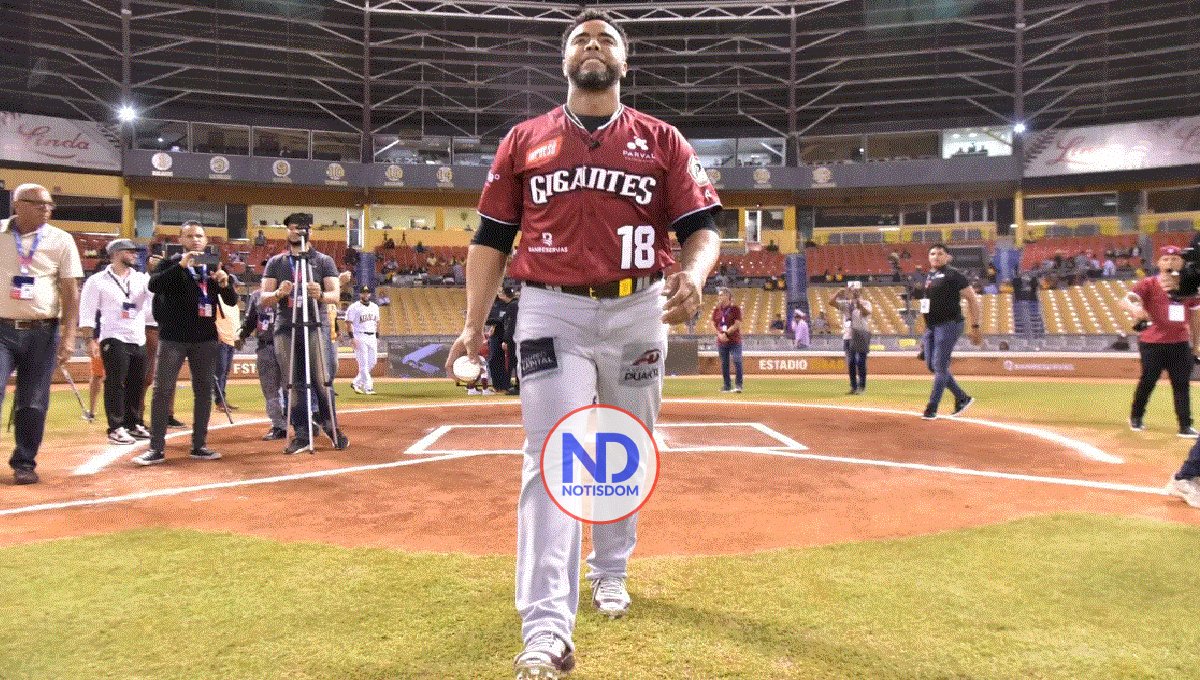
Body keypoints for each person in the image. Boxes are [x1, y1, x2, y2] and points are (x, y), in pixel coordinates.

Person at [443, 9, 722, 677]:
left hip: (638, 310)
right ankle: (546, 631)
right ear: (564, 60)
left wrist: (695, 273)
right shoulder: (524, 140)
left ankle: (612, 566)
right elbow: (488, 242)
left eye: (606, 40)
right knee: (551, 460)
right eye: (579, 39)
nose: (592, 46)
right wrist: (472, 326)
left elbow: (704, 229)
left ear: (626, 63)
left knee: (623, 452)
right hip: (549, 311)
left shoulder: (662, 139)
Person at [133, 221, 236, 465]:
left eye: (199, 236)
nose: (195, 240)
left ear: (206, 240)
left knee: (203, 393)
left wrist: (224, 282)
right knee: (162, 391)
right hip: (172, 338)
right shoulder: (169, 264)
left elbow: (231, 301)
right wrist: (180, 265)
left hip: (205, 339)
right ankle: (156, 448)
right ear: (181, 240)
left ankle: (199, 445)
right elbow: (154, 285)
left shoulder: (213, 267)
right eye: (189, 236)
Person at [0, 183, 82, 484]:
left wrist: (69, 336)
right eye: (39, 204)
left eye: (49, 205)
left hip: (42, 332)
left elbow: (70, 291)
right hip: (1, 328)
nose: (46, 209)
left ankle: (24, 461)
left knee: (33, 401)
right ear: (18, 205)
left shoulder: (61, 240)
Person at [260, 213, 348, 454]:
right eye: (294, 228)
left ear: (311, 232)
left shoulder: (323, 261)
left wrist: (320, 294)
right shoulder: (276, 262)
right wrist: (278, 293)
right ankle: (300, 433)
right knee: (294, 382)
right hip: (286, 326)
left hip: (316, 324)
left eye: (304, 228)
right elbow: (263, 299)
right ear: (287, 230)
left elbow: (335, 296)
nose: (299, 232)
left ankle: (331, 425)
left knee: (322, 378)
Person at [1120, 245, 1200, 436]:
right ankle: (1136, 416)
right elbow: (1126, 300)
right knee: (1148, 380)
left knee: (1181, 384)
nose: (1170, 262)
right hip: (1152, 343)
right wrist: (1135, 310)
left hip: (1180, 343)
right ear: (1158, 263)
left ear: (1182, 262)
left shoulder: (1190, 287)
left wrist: (1196, 345)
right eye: (1165, 259)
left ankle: (1184, 425)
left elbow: (1196, 318)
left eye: (1174, 259)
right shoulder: (1148, 284)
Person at [78, 239, 152, 445]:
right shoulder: (97, 280)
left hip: (138, 336)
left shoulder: (141, 279)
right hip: (113, 336)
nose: (135, 255)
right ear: (116, 253)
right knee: (115, 382)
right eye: (131, 251)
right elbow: (87, 311)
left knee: (136, 382)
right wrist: (89, 339)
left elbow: (154, 299)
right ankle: (116, 427)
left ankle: (134, 422)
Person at [914, 243, 982, 420]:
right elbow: (925, 305)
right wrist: (925, 332)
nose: (936, 256)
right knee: (932, 365)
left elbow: (972, 300)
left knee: (940, 366)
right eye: (932, 253)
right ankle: (962, 397)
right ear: (928, 257)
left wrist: (975, 326)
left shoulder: (954, 275)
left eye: (940, 253)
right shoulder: (928, 277)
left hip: (949, 324)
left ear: (948, 257)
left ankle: (931, 408)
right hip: (932, 327)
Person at [238, 290, 288, 440]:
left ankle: (304, 423)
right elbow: (251, 320)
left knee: (292, 387)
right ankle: (279, 425)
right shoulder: (256, 296)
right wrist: (241, 334)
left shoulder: (290, 292)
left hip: (288, 346)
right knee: (270, 389)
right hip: (266, 345)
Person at [830, 283, 872, 394]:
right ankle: (854, 387)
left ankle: (861, 386)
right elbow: (831, 302)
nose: (853, 293)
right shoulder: (846, 304)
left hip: (861, 335)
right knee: (851, 362)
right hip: (848, 336)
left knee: (861, 362)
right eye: (852, 291)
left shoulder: (866, 303)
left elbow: (865, 312)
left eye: (856, 291)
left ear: (860, 292)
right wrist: (838, 293)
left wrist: (858, 302)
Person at [345, 286, 381, 395]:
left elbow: (378, 322)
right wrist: (352, 338)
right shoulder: (354, 307)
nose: (365, 295)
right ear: (360, 294)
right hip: (359, 336)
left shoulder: (375, 307)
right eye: (363, 293)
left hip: (372, 336)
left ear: (370, 294)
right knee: (364, 364)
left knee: (372, 362)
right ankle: (368, 387)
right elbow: (348, 322)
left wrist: (377, 337)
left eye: (367, 293)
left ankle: (356, 383)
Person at [484, 288, 515, 393]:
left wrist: (496, 322)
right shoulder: (493, 305)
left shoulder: (510, 304)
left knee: (507, 362)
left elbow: (505, 319)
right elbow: (487, 319)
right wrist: (496, 322)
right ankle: (498, 385)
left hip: (506, 335)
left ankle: (505, 384)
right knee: (494, 360)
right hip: (497, 336)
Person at [713, 287, 743, 393]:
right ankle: (727, 385)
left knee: (737, 360)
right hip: (722, 342)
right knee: (724, 364)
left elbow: (737, 324)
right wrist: (719, 335)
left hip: (734, 341)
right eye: (719, 295)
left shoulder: (735, 309)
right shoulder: (716, 310)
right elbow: (715, 325)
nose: (720, 297)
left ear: (728, 296)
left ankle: (739, 385)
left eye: (722, 295)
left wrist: (725, 333)